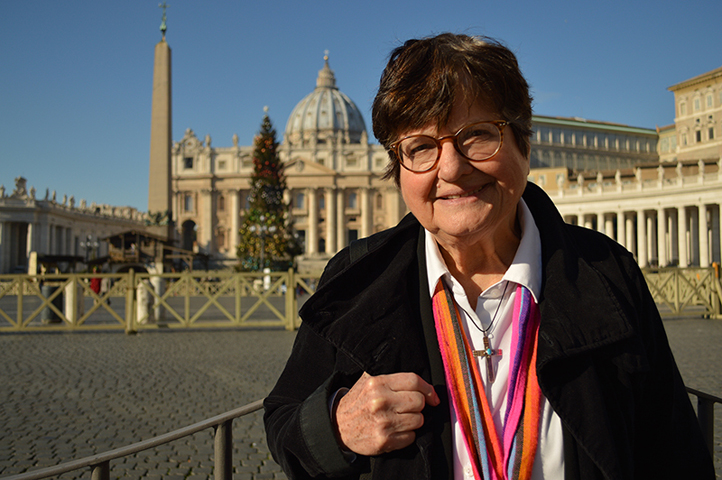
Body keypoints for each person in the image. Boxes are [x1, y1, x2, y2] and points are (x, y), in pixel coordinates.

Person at [264, 33, 714, 480]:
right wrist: (336, 427)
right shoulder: (355, 278)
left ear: (524, 143)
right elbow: (283, 420)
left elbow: (675, 455)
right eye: (420, 147)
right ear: (398, 168)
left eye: (478, 136)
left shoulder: (609, 273)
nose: (452, 168)